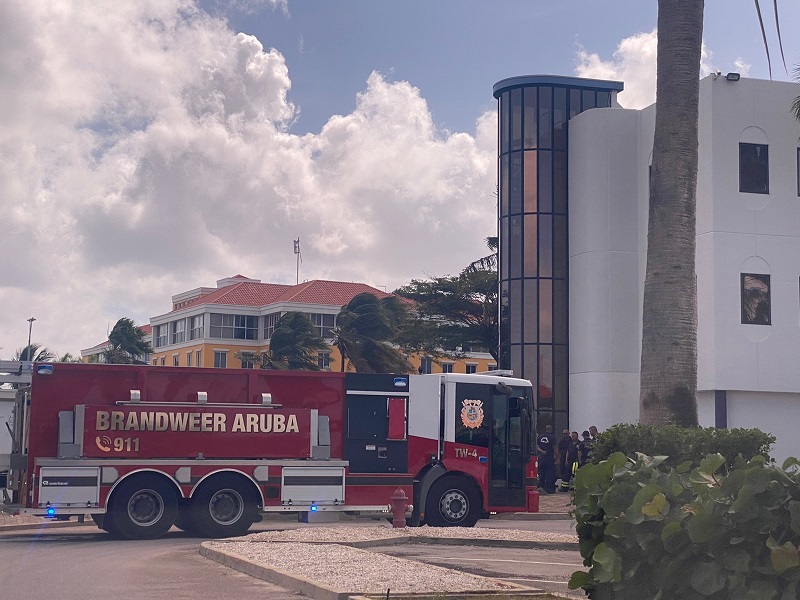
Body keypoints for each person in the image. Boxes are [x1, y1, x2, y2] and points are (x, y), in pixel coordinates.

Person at [536, 425, 557, 494]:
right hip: (549, 457)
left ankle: (541, 487)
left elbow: (537, 447)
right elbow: (554, 448)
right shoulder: (552, 437)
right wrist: (556, 456)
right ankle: (549, 489)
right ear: (551, 429)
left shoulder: (541, 437)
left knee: (541, 472)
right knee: (549, 473)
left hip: (541, 457)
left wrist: (542, 451)